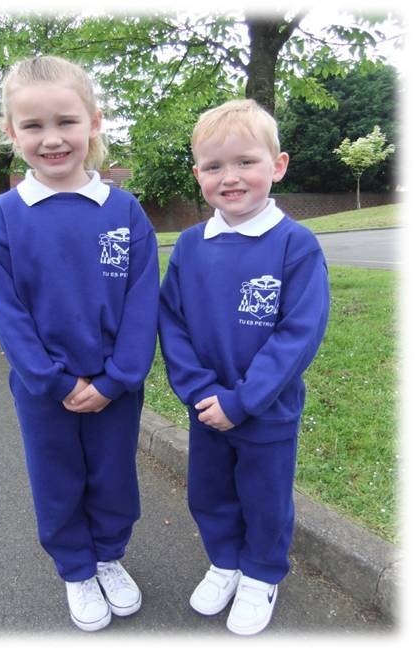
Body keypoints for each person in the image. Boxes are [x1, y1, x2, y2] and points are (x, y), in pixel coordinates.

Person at [0, 55, 159, 632]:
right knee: (58, 480)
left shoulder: (124, 210)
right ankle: (77, 569)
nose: (52, 139)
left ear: (93, 123)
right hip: (44, 390)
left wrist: (117, 378)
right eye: (33, 126)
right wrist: (55, 381)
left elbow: (141, 302)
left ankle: (107, 556)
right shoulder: (2, 219)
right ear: (12, 133)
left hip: (116, 386)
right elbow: (9, 316)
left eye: (66, 122)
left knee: (112, 475)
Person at [158, 99, 329, 636]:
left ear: (277, 166)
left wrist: (243, 400)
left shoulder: (295, 246)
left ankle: (260, 574)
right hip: (207, 409)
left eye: (245, 162)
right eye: (213, 166)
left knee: (264, 496)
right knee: (209, 492)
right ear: (198, 175)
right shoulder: (189, 245)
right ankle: (226, 561)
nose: (229, 177)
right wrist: (200, 393)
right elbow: (172, 323)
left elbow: (298, 335)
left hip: (265, 412)